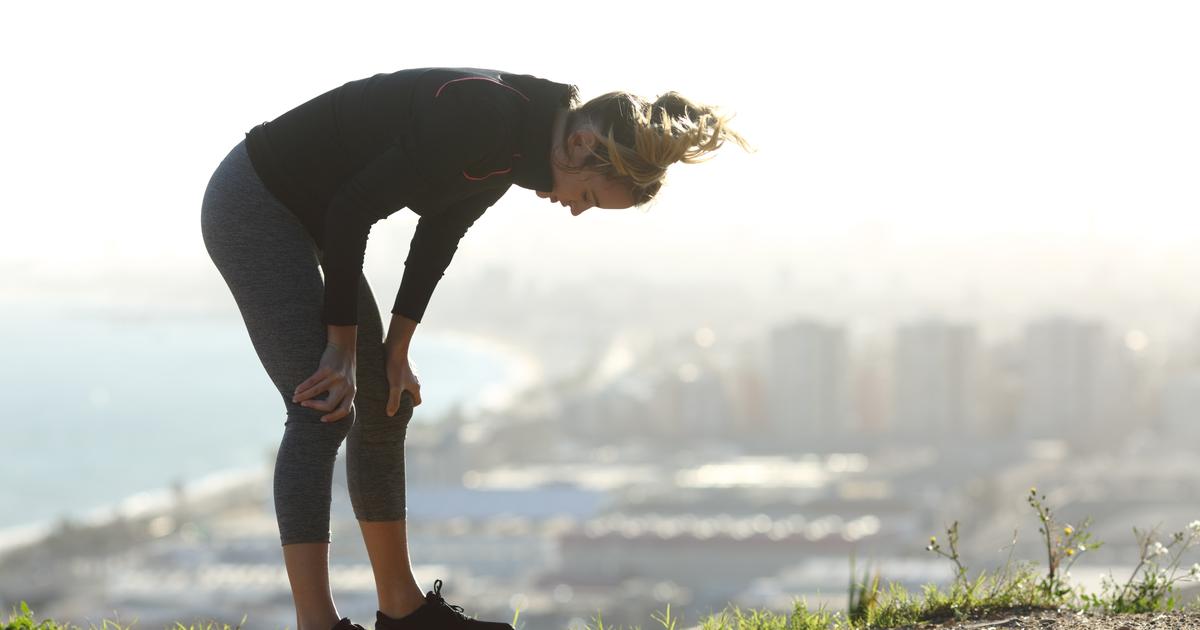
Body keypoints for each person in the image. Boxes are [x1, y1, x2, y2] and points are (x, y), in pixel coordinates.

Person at [199, 66, 752, 630]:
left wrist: (396, 350)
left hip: (316, 216)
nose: (578, 209)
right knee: (322, 406)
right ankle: (315, 623)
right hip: (256, 204)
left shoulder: (521, 139)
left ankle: (403, 610)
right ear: (582, 144)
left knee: (385, 405)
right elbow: (350, 211)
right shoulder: (485, 120)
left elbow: (440, 234)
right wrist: (340, 349)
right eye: (587, 194)